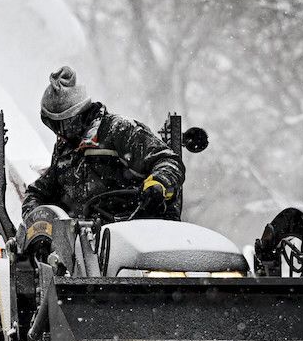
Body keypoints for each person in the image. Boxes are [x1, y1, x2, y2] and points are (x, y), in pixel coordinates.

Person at [21, 66, 183, 228]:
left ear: (75, 116)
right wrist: (37, 229)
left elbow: (168, 161)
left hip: (139, 231)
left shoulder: (120, 130)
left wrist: (158, 184)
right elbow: (38, 193)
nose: (58, 133)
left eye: (59, 125)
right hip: (87, 245)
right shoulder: (64, 151)